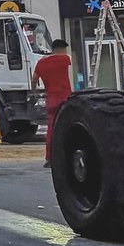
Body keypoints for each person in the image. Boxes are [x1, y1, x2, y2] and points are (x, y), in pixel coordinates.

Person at [34, 39, 75, 168]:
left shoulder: (41, 62)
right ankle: (69, 156)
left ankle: (50, 158)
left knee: (51, 129)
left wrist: (34, 92)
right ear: (62, 49)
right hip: (66, 99)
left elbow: (34, 79)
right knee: (70, 127)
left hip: (51, 100)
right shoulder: (65, 59)